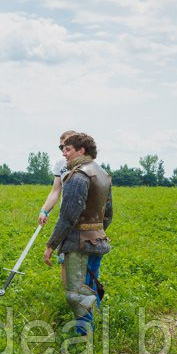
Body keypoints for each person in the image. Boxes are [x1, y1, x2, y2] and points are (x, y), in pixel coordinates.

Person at [43, 133, 113, 336]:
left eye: (67, 149)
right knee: (91, 285)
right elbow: (108, 215)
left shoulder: (78, 176)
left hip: (79, 245)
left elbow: (67, 217)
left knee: (77, 294)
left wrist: (51, 245)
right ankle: (96, 327)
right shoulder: (102, 174)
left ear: (81, 151)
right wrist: (96, 232)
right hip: (97, 242)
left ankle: (83, 337)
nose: (64, 153)